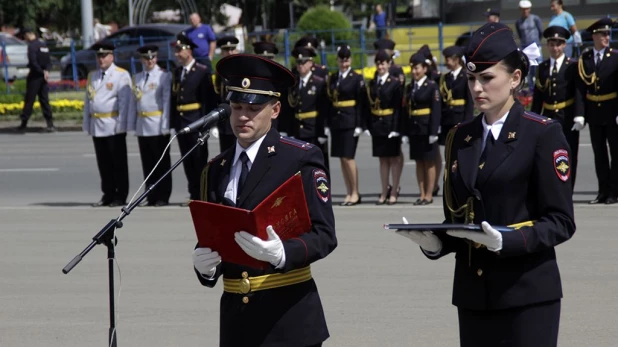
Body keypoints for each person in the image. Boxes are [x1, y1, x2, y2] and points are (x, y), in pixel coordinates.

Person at [396, 22, 575, 347]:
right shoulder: (460, 137)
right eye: (472, 78)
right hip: (473, 295)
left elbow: (561, 222)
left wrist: (508, 240)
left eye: (488, 78)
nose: (477, 88)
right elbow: (462, 218)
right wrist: (437, 242)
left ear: (515, 79)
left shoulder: (542, 134)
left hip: (527, 294)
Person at [191, 53, 337, 347]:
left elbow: (324, 235)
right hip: (237, 323)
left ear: (275, 109)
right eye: (236, 107)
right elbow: (215, 233)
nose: (243, 116)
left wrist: (284, 253)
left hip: (288, 318)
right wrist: (204, 267)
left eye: (253, 108)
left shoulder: (298, 158)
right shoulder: (215, 169)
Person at [531, 26, 582, 190]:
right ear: (547, 45)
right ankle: (550, 188)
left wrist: (579, 114)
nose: (555, 48)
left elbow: (578, 92)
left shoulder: (572, 65)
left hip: (567, 117)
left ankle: (568, 188)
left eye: (558, 44)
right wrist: (533, 117)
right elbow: (538, 96)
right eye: (552, 44)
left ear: (564, 45)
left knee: (569, 153)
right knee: (547, 153)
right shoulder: (542, 67)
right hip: (548, 117)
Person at [83, 42, 132, 207]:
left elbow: (124, 103)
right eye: (99, 56)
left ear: (112, 56)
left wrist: (122, 125)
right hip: (97, 125)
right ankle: (107, 194)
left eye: (104, 56)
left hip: (113, 124)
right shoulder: (93, 76)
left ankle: (120, 195)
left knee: (118, 163)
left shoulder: (121, 75)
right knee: (103, 164)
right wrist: (87, 124)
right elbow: (88, 102)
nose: (101, 59)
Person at [170, 32, 217, 204]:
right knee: (187, 161)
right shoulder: (177, 72)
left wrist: (207, 124)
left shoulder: (202, 71)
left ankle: (201, 195)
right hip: (182, 123)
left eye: (179, 50)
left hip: (196, 121)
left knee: (199, 162)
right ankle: (193, 194)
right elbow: (174, 99)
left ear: (188, 51)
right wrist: (173, 122)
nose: (177, 54)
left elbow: (208, 100)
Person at [575, 18, 618, 204]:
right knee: (599, 154)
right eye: (603, 34)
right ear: (594, 36)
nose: (606, 37)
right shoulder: (585, 58)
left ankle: (614, 192)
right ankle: (602, 191)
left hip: (612, 111)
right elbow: (580, 89)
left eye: (608, 34)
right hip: (594, 113)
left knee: (616, 154)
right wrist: (580, 113)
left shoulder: (615, 57)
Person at [127, 45, 172, 207]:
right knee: (148, 164)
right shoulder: (137, 78)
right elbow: (133, 103)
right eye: (146, 58)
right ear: (141, 60)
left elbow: (166, 101)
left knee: (161, 163)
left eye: (152, 57)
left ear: (156, 58)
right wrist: (131, 125)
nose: (149, 61)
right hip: (142, 125)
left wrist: (166, 124)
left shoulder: (164, 76)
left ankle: (163, 196)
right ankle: (150, 194)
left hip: (158, 124)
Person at [326, 45, 365, 206]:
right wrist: (328, 123)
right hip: (337, 121)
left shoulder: (356, 78)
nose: (344, 63)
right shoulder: (334, 78)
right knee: (342, 159)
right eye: (341, 60)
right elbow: (330, 101)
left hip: (350, 121)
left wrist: (360, 124)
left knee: (349, 158)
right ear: (337, 60)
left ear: (350, 60)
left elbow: (361, 103)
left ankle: (355, 192)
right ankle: (348, 191)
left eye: (346, 59)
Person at [364, 50, 403, 205]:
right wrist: (368, 126)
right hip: (377, 124)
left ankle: (394, 190)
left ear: (389, 64)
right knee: (382, 160)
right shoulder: (372, 83)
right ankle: (384, 190)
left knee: (394, 159)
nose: (381, 66)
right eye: (378, 63)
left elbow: (397, 108)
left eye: (383, 63)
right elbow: (368, 106)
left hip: (390, 123)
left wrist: (395, 128)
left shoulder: (394, 83)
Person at [403, 53, 441, 205]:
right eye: (412, 68)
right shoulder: (410, 87)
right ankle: (422, 193)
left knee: (429, 162)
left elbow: (436, 110)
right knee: (419, 162)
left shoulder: (432, 86)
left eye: (417, 68)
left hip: (427, 129)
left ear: (424, 69)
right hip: (414, 129)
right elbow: (407, 110)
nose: (414, 72)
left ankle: (429, 194)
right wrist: (405, 132)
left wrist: (433, 131)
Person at [289, 46, 330, 171]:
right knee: (300, 165)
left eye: (303, 62)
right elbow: (290, 109)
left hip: (314, 129)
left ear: (311, 63)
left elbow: (324, 108)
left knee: (318, 164)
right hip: (298, 129)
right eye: (298, 62)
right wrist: (289, 131)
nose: (300, 65)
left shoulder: (319, 83)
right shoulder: (293, 84)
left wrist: (324, 130)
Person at [17, 27, 54, 133]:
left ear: (28, 34)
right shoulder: (43, 45)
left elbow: (33, 62)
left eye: (24, 36)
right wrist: (46, 71)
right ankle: (50, 123)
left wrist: (41, 71)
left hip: (35, 76)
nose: (24, 38)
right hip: (43, 77)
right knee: (44, 100)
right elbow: (48, 60)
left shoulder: (32, 46)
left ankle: (23, 124)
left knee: (29, 100)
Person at [252, 41, 292, 137]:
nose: (267, 61)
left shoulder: (281, 78)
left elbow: (285, 106)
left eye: (269, 58)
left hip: (276, 123)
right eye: (263, 58)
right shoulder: (251, 78)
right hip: (256, 122)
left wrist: (284, 128)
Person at [439, 45, 473, 146]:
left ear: (456, 60)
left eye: (448, 59)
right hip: (447, 118)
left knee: (461, 147)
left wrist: (468, 121)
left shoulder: (466, 76)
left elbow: (469, 101)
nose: (446, 62)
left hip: (460, 116)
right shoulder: (445, 77)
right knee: (449, 148)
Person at [212, 35, 240, 153]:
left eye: (232, 49)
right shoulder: (219, 73)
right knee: (225, 156)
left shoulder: (242, 70)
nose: (230, 52)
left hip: (240, 119)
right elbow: (215, 97)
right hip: (224, 122)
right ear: (222, 52)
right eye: (226, 50)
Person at [515, 0, 543, 92]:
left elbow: (540, 31)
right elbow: (520, 34)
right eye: (523, 9)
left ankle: (540, 85)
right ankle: (531, 88)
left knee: (538, 66)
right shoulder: (518, 21)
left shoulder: (535, 18)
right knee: (528, 67)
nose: (525, 11)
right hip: (525, 47)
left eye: (527, 9)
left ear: (529, 9)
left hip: (536, 46)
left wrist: (537, 43)